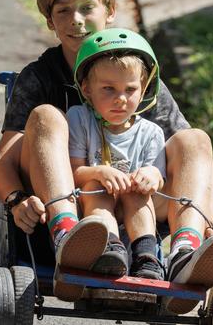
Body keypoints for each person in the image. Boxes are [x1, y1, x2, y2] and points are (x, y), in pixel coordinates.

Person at [0, 0, 213, 312]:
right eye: (64, 10)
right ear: (50, 20)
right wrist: (16, 200)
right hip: (71, 197)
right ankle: (68, 238)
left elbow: (197, 163)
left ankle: (185, 249)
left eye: (87, 7)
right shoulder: (40, 77)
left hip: (142, 202)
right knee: (46, 116)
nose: (76, 19)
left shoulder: (135, 71)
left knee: (195, 139)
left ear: (110, 12)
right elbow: (5, 162)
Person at [68, 28, 167, 281]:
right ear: (87, 88)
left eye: (130, 89)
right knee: (96, 186)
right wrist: (100, 171)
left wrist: (152, 174)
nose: (121, 99)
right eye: (109, 89)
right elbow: (73, 173)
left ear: (143, 89)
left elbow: (159, 178)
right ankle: (110, 248)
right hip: (90, 210)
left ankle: (146, 256)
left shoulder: (151, 133)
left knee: (137, 190)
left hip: (132, 213)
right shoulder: (80, 119)